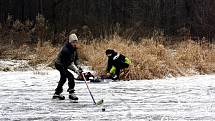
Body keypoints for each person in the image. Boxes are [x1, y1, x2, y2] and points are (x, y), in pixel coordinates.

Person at [53, 33, 83, 100]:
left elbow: (76, 59)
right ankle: (71, 93)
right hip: (60, 64)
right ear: (70, 42)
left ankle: (57, 93)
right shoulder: (65, 50)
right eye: (73, 42)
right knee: (70, 76)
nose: (75, 43)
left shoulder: (74, 49)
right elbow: (68, 64)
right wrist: (76, 70)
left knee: (63, 78)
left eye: (76, 42)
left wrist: (78, 66)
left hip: (65, 64)